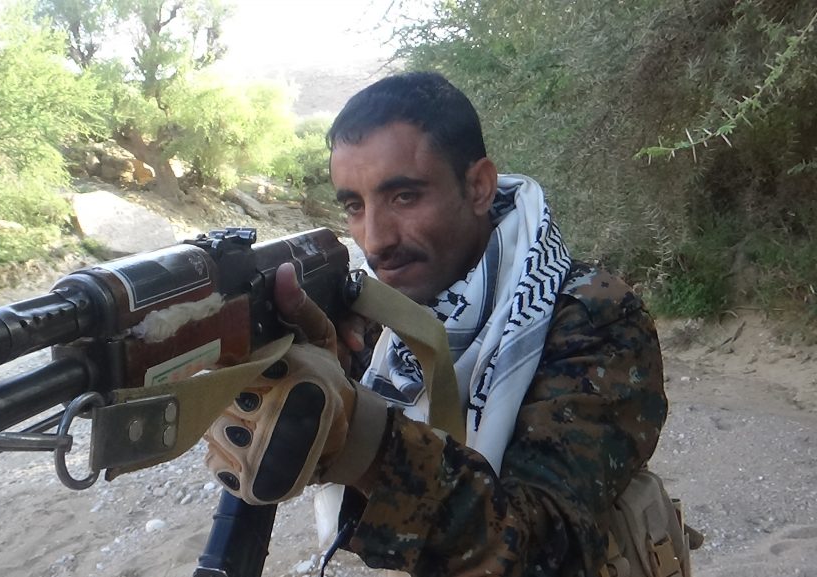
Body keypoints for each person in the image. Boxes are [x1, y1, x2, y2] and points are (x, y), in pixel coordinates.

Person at [205, 72, 667, 577]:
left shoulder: (591, 315)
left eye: (404, 196)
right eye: (355, 206)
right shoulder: (382, 319)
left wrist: (359, 435)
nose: (375, 240)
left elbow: (543, 549)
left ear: (478, 187)